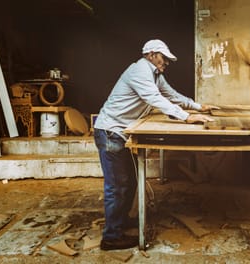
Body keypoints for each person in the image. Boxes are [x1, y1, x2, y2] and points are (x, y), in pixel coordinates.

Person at [94, 39, 217, 250]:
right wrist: (186, 117)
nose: (166, 62)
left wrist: (198, 106)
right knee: (117, 188)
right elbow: (154, 98)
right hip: (110, 132)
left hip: (120, 133)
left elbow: (171, 94)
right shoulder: (140, 71)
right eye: (164, 58)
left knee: (130, 183)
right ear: (151, 54)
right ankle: (111, 237)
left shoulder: (155, 74)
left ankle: (120, 222)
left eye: (168, 59)